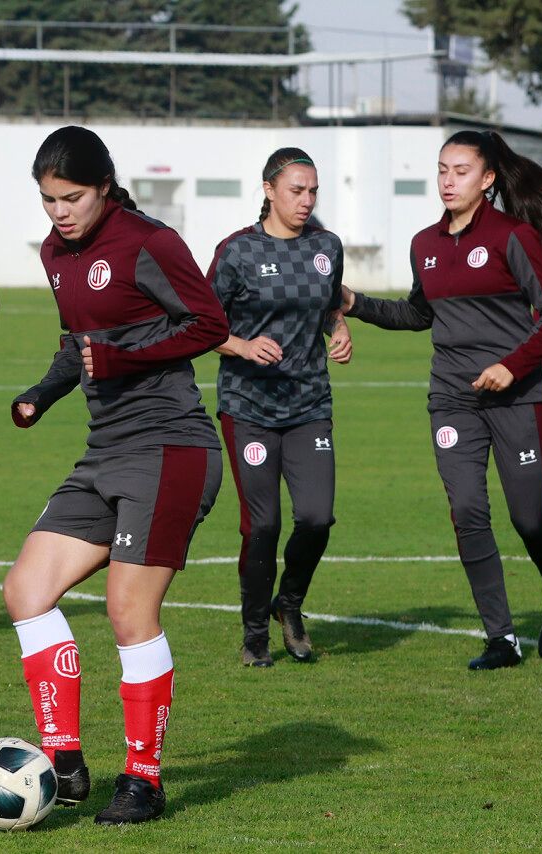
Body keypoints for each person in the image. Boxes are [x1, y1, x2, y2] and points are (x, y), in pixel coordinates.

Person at [3, 126, 228, 825]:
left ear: (104, 187)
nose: (60, 212)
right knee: (25, 590)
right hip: (106, 452)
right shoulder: (53, 253)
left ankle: (145, 781)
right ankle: (65, 764)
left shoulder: (149, 242)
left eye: (72, 197)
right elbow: (80, 346)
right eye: (48, 200)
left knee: (129, 612)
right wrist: (41, 393)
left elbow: (210, 324)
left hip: (172, 447)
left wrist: (123, 360)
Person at [340, 130, 542, 671]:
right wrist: (355, 303)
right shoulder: (425, 244)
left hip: (517, 399)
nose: (448, 181)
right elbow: (419, 314)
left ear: (488, 178)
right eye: (442, 170)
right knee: (468, 512)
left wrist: (510, 366)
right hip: (451, 399)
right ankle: (501, 638)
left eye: (461, 171)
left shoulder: (513, 237)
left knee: (530, 517)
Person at [207, 147, 353, 667]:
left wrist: (339, 328)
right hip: (248, 406)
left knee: (316, 517)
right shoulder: (237, 252)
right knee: (262, 526)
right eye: (296, 190)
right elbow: (200, 324)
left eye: (313, 190)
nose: (306, 200)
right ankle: (253, 636)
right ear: (269, 189)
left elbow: (330, 303)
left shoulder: (327, 247)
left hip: (309, 402)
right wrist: (242, 346)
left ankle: (288, 603)